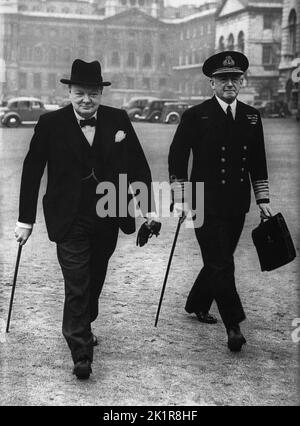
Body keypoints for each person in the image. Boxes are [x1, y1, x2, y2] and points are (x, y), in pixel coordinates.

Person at [15, 59, 159, 379]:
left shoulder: (118, 120)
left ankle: (85, 320)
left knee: (94, 278)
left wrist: (148, 210)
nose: (86, 100)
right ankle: (81, 352)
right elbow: (31, 171)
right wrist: (26, 220)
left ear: (101, 93)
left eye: (92, 93)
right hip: (69, 217)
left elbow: (138, 166)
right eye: (79, 93)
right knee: (77, 283)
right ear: (69, 91)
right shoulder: (50, 123)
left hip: (108, 214)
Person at [168, 51, 273, 352]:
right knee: (222, 264)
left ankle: (198, 303)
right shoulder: (196, 115)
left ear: (242, 81)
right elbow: (177, 156)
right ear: (211, 83)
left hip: (237, 205)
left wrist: (262, 199)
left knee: (219, 260)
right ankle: (234, 326)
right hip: (204, 203)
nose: (229, 83)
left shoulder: (252, 116)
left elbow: (258, 160)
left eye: (234, 78)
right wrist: (180, 197)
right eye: (222, 79)